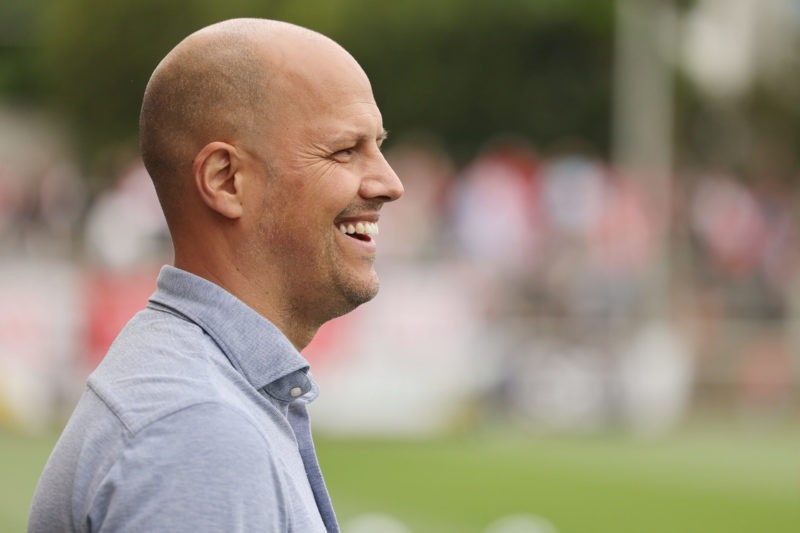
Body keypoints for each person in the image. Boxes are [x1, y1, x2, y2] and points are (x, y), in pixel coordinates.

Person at [28, 18, 403, 532]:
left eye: (378, 144)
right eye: (344, 150)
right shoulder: (200, 429)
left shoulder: (205, 394)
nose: (390, 182)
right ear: (226, 180)